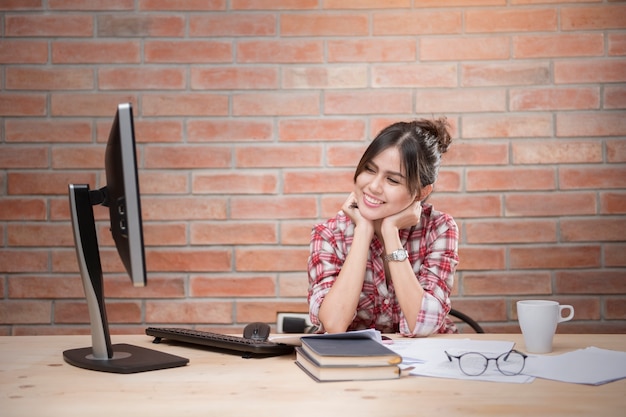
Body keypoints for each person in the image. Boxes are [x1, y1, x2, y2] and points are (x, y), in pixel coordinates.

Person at [307, 118, 459, 337]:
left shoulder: (439, 228)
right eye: (369, 169)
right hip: (355, 362)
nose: (374, 186)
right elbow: (333, 324)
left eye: (393, 180)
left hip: (426, 362)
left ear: (421, 193)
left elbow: (422, 325)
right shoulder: (330, 234)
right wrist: (363, 231)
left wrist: (390, 233)